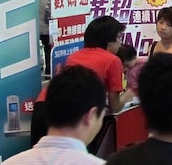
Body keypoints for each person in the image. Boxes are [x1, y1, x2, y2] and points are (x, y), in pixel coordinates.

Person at [30, 15, 134, 145]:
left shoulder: (74, 56)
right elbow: (115, 107)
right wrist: (130, 92)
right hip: (70, 115)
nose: (120, 43)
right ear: (109, 41)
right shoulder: (113, 61)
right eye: (119, 37)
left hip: (43, 106)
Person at [37, 0, 52, 75]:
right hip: (47, 29)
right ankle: (48, 71)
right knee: (47, 50)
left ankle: (38, 68)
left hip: (36, 28)